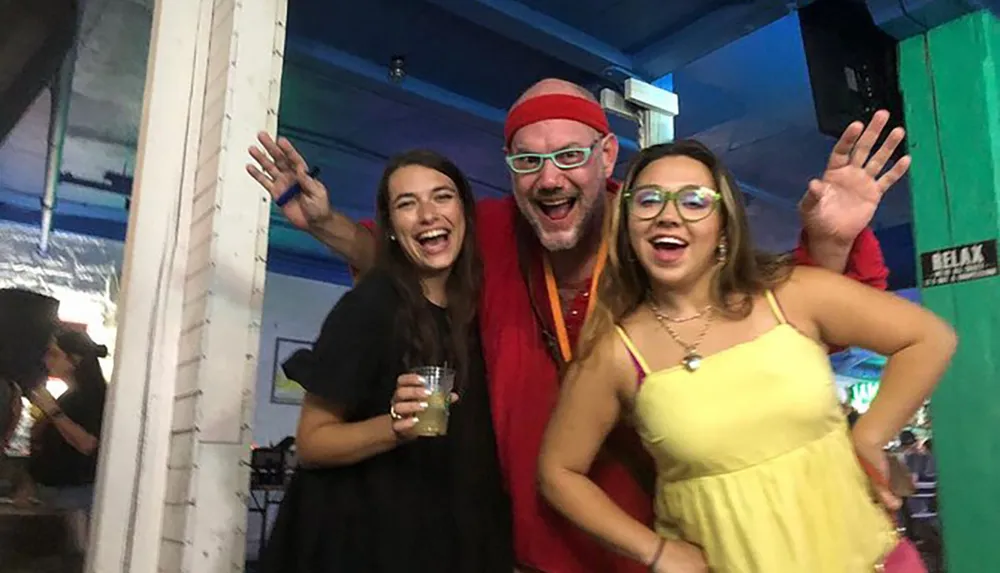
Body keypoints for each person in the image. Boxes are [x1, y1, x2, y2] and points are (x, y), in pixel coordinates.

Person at [247, 78, 911, 572]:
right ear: (512, 170)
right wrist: (326, 223)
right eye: (529, 160)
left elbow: (781, 318)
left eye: (569, 156)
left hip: (668, 545)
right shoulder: (498, 232)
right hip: (533, 548)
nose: (550, 176)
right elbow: (414, 256)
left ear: (606, 157)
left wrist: (827, 243)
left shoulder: (659, 227)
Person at [536, 140, 955, 572]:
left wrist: (868, 436)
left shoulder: (791, 293)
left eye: (695, 200)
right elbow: (558, 471)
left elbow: (929, 337)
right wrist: (655, 551)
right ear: (627, 224)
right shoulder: (616, 353)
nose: (668, 213)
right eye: (648, 200)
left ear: (724, 224)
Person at [259, 150, 512, 573]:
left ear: (465, 213)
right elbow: (312, 443)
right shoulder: (372, 305)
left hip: (434, 537)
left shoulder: (470, 309)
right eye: (407, 204)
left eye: (442, 197)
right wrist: (394, 426)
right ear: (391, 228)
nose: (428, 214)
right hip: (359, 542)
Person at [16, 330, 109, 564]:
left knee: (76, 560)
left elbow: (88, 444)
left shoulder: (94, 398)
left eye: (55, 355)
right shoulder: (70, 397)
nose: (48, 361)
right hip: (57, 497)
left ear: (74, 360)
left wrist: (53, 412)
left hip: (76, 498)